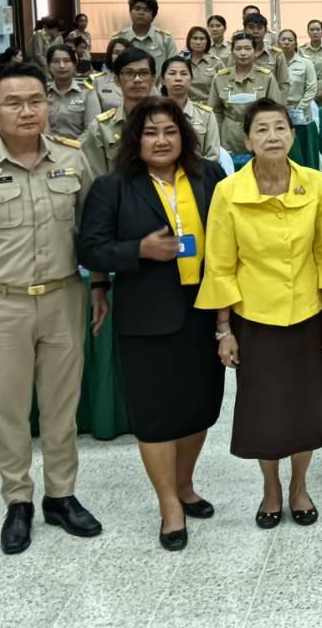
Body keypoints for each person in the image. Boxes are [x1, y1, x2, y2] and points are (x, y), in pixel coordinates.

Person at [0, 61, 101, 554]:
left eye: (36, 101)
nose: (27, 110)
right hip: (1, 304)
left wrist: (99, 285)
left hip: (63, 297)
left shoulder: (72, 157)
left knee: (62, 406)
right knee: (9, 410)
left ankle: (61, 495)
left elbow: (92, 230)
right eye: (13, 103)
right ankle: (18, 501)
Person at [79, 98, 226, 550]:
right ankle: (169, 506)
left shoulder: (209, 176)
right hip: (146, 315)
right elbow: (90, 249)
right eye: (150, 133)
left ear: (185, 136)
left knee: (201, 407)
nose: (161, 141)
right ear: (134, 140)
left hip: (203, 310)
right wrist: (138, 250)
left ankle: (185, 485)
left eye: (170, 131)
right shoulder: (113, 187)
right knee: (156, 415)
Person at [198, 100, 322, 530]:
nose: (272, 137)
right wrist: (223, 329)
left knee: (306, 410)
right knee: (265, 412)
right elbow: (220, 265)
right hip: (255, 320)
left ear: (294, 135)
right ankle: (270, 488)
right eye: (261, 129)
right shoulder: (229, 192)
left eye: (280, 128)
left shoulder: (315, 184)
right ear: (247, 140)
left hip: (308, 316)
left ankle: (299, 486)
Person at [207, 33, 284, 163]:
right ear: (232, 52)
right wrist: (217, 138)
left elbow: (275, 110)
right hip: (229, 136)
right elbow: (215, 112)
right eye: (238, 49)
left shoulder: (266, 77)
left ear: (255, 52)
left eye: (248, 48)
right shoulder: (220, 78)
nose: (243, 53)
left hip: (259, 134)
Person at [83, 48, 157, 180]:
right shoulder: (101, 128)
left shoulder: (169, 124)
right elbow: (94, 180)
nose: (137, 79)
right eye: (129, 73)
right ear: (117, 80)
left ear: (153, 80)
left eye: (144, 73)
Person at [160, 56, 221, 163]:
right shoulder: (153, 114)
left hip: (198, 171)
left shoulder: (205, 115)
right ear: (162, 80)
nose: (178, 78)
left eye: (183, 73)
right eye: (172, 73)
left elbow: (213, 157)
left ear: (191, 79)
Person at [44, 44, 96, 141]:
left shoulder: (87, 92)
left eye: (66, 61)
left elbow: (92, 129)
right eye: (56, 61)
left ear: (74, 65)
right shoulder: (42, 93)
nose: (61, 66)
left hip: (79, 147)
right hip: (48, 147)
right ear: (49, 66)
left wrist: (71, 148)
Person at [113, 0, 176, 64]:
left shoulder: (165, 39)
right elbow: (110, 66)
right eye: (137, 9)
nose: (141, 13)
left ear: (153, 16)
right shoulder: (118, 38)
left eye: (146, 10)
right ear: (130, 12)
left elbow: (173, 65)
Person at [277, 30, 319, 135]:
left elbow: (311, 89)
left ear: (296, 43)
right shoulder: (273, 64)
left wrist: (298, 110)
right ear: (278, 43)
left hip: (300, 111)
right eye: (283, 39)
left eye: (290, 40)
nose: (286, 42)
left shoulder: (306, 63)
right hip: (278, 111)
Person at [91, 38, 133, 114]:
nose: (120, 56)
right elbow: (93, 114)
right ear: (110, 56)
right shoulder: (98, 82)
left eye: (124, 52)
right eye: (116, 52)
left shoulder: (143, 80)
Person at [183, 26, 220, 103]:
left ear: (207, 42)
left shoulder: (216, 62)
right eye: (195, 38)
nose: (198, 42)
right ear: (189, 40)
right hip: (186, 105)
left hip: (209, 106)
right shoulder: (181, 61)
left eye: (202, 39)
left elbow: (223, 88)